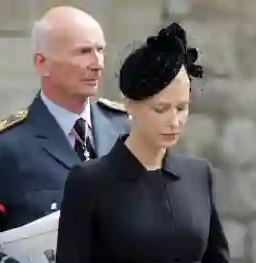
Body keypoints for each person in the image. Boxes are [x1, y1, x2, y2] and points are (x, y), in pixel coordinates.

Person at [0, 5, 130, 263]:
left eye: (100, 50)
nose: (97, 64)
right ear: (42, 63)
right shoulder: (1, 149)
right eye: (83, 52)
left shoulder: (126, 129)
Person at [56, 22, 230, 263]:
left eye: (182, 108)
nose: (174, 121)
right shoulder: (90, 183)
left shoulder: (199, 175)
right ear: (129, 104)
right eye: (161, 109)